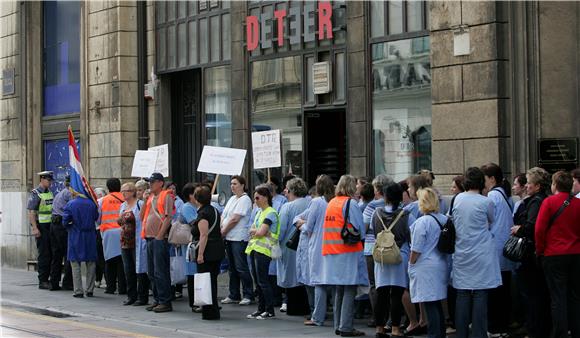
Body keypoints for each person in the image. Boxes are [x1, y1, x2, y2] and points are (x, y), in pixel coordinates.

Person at [451, 167, 501, 338]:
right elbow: (491, 220)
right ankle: (479, 333)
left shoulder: (457, 199)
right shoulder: (485, 201)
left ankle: (462, 333)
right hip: (481, 251)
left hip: (462, 250)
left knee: (462, 293)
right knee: (480, 293)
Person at [320, 175, 368, 337]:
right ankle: (346, 327)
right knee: (349, 288)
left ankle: (338, 325)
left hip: (330, 251)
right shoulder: (351, 203)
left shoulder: (332, 202)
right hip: (347, 251)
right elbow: (359, 228)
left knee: (338, 290)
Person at [535, 171, 580, 338]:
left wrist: (540, 250)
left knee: (558, 297)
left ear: (555, 185)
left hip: (554, 254)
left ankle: (560, 333)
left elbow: (539, 230)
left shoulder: (549, 202)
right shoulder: (578, 204)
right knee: (575, 297)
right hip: (576, 253)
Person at [511, 167, 551, 338]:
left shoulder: (536, 202)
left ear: (537, 186)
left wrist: (519, 229)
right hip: (538, 253)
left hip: (531, 254)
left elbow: (532, 226)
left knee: (532, 294)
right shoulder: (543, 199)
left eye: (529, 183)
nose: (526, 186)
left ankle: (535, 329)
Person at [371, 182, 415, 338]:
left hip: (381, 256)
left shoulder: (375, 213)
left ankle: (379, 328)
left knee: (381, 292)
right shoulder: (406, 215)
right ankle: (395, 328)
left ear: (385, 196)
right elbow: (412, 235)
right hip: (399, 255)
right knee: (396, 293)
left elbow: (373, 230)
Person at [409, 188, 450, 338]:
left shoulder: (422, 222)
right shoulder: (444, 219)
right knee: (437, 302)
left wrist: (411, 262)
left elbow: (417, 248)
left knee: (429, 303)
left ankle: (434, 334)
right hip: (441, 263)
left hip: (425, 265)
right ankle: (440, 333)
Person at [481, 163, 515, 337]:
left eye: (484, 179)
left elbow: (487, 222)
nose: (483, 182)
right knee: (504, 292)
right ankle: (502, 326)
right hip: (506, 250)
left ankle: (494, 328)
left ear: (492, 179)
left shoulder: (493, 195)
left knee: (494, 292)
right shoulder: (506, 194)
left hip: (495, 250)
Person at [301, 174, 335, 327]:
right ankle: (337, 313)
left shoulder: (316, 202)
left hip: (318, 244)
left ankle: (318, 317)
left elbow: (308, 227)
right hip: (334, 245)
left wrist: (301, 224)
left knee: (319, 282)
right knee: (334, 282)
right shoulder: (335, 202)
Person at [141, 172, 175, 313]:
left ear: (161, 183)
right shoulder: (149, 197)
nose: (150, 184)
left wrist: (160, 235)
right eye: (150, 181)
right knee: (152, 272)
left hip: (159, 238)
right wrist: (143, 201)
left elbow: (168, 217)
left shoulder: (166, 195)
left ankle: (164, 301)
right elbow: (142, 216)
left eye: (153, 181)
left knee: (160, 271)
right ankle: (157, 299)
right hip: (149, 237)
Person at [245, 186, 280, 320]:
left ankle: (269, 310)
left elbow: (259, 232)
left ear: (265, 198)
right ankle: (261, 309)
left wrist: (256, 231)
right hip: (255, 249)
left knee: (263, 281)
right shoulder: (260, 212)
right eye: (254, 198)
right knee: (258, 282)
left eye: (257, 198)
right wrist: (256, 231)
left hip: (264, 250)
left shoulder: (270, 212)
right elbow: (253, 229)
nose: (255, 200)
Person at [191, 184, 225, 320]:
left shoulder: (203, 213)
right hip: (217, 249)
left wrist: (200, 254)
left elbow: (203, 235)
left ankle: (210, 311)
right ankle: (213, 309)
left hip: (208, 251)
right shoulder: (215, 210)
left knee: (206, 281)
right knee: (212, 280)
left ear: (196, 199)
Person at [362, 175, 392, 327]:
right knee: (389, 283)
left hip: (371, 248)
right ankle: (390, 319)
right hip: (390, 248)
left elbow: (364, 228)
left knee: (374, 285)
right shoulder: (393, 204)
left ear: (378, 189)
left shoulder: (371, 206)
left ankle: (377, 317)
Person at [277, 178, 310, 315]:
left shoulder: (287, 207)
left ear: (291, 190)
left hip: (290, 246)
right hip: (307, 245)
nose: (284, 191)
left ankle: (294, 307)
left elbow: (280, 229)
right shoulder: (311, 202)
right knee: (304, 276)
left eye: (286, 188)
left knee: (291, 277)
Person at [220, 175, 254, 306]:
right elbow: (224, 215)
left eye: (235, 183)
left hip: (239, 238)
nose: (232, 186)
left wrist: (223, 231)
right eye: (231, 184)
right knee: (232, 268)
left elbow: (235, 219)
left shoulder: (245, 200)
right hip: (229, 237)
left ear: (242, 185)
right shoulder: (232, 199)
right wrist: (221, 227)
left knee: (241, 267)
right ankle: (233, 294)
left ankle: (248, 294)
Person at [62, 192, 99, 298]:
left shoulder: (70, 204)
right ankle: (90, 289)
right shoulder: (92, 204)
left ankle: (78, 290)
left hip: (76, 235)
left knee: (75, 263)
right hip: (90, 235)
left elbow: (65, 220)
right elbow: (96, 217)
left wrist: (69, 226)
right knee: (91, 263)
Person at [118, 182, 148, 306]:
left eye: (126, 191)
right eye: (122, 191)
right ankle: (131, 295)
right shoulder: (123, 205)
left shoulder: (140, 204)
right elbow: (120, 221)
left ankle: (142, 296)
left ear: (132, 192)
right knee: (128, 269)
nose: (123, 193)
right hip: (125, 242)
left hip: (137, 241)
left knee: (140, 269)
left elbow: (142, 219)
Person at [98, 178, 126, 295]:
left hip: (108, 231)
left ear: (108, 188)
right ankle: (123, 288)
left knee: (109, 261)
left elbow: (98, 217)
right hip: (123, 230)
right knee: (122, 260)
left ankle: (110, 287)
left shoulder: (102, 200)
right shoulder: (125, 199)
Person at [27, 171, 54, 289]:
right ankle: (42, 281)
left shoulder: (49, 193)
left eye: (51, 180)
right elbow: (31, 212)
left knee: (51, 253)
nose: (50, 182)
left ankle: (49, 278)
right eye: (48, 180)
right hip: (41, 227)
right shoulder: (35, 193)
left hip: (50, 226)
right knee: (44, 254)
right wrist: (34, 228)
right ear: (42, 180)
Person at [49, 176, 73, 291]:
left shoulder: (60, 193)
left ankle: (54, 282)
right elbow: (72, 210)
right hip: (62, 226)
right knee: (68, 254)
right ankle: (67, 282)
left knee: (56, 255)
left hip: (54, 224)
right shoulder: (69, 194)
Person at [179, 183, 200, 311]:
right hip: (190, 244)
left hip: (196, 242)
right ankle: (194, 302)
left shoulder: (197, 206)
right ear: (189, 195)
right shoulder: (187, 207)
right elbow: (194, 222)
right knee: (192, 273)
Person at [93, 187, 107, 288]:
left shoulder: (99, 202)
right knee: (100, 257)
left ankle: (101, 279)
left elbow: (97, 219)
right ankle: (99, 279)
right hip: (101, 230)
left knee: (100, 257)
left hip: (100, 230)